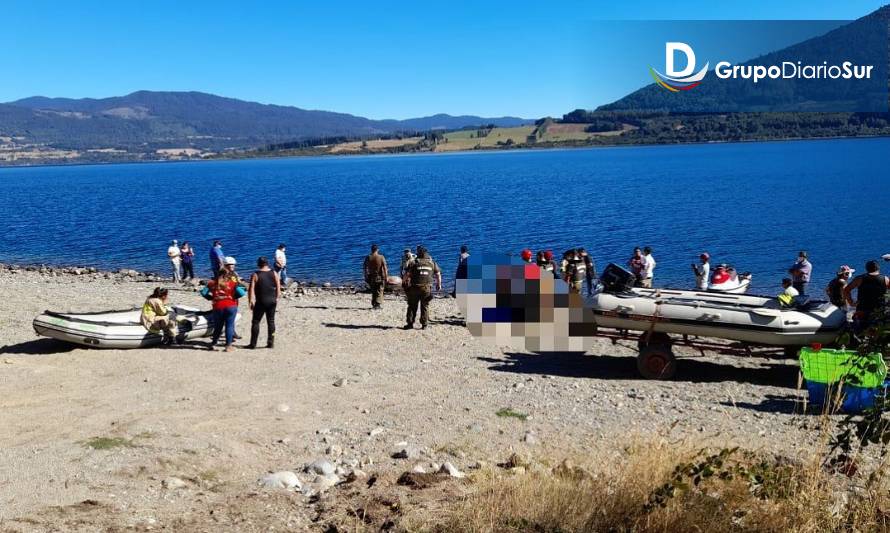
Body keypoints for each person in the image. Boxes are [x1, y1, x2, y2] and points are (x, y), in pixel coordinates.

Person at [207, 256, 241, 352]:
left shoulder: (212, 283)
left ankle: (213, 343)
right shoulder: (232, 282)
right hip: (230, 304)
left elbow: (204, 292)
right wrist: (234, 297)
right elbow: (241, 291)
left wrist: (211, 298)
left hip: (217, 306)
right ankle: (228, 346)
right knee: (229, 325)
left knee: (218, 326)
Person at [403, 245, 441, 330]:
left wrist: (403, 282)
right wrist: (439, 284)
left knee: (412, 306)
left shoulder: (414, 263)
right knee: (425, 306)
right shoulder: (432, 263)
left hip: (415, 287)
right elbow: (438, 274)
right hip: (426, 288)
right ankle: (424, 324)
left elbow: (407, 274)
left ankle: (410, 323)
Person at [248, 256, 281, 349]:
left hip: (261, 301)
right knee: (271, 321)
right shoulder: (274, 272)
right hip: (272, 300)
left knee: (256, 322)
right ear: (267, 263)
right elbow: (278, 286)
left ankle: (253, 344)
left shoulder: (255, 274)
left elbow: (251, 289)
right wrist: (277, 297)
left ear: (258, 264)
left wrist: (251, 300)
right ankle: (271, 343)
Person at [363, 244, 388, 309]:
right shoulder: (381, 257)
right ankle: (377, 304)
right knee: (379, 290)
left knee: (373, 290)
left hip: (371, 276)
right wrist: (386, 276)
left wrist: (365, 276)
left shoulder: (368, 257)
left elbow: (365, 267)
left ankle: (374, 303)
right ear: (377, 250)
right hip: (379, 276)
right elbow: (385, 268)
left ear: (371, 250)